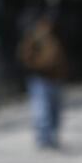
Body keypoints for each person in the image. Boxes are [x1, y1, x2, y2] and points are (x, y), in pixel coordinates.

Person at [17, 14, 67, 149]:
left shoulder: (55, 37)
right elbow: (25, 55)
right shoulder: (34, 38)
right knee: (41, 110)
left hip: (55, 78)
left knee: (55, 110)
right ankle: (43, 138)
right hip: (40, 78)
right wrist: (39, 65)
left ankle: (52, 136)